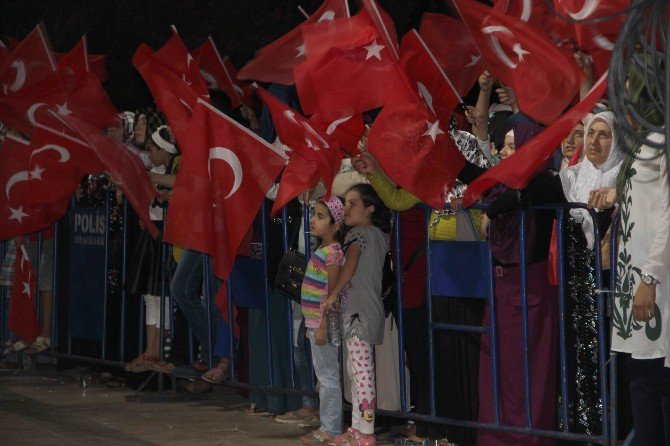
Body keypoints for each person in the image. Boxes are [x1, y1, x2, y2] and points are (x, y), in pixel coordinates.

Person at [589, 67, 669, 445]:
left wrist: (650, 278)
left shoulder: (662, 142)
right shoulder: (642, 143)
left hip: (656, 284)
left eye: (627, 93)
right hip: (636, 279)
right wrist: (616, 195)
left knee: (652, 381)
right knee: (643, 380)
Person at [326, 184, 391, 446]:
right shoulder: (379, 234)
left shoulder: (358, 233)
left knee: (361, 372)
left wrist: (334, 293)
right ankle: (357, 427)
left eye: (353, 203)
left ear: (370, 209)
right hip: (367, 308)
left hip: (358, 312)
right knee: (358, 370)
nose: (347, 208)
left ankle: (365, 432)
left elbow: (350, 264)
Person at [124, 125, 179, 372]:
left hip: (164, 236)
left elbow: (164, 195)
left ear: (164, 151)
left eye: (154, 149)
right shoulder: (156, 171)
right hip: (152, 234)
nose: (150, 153)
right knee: (151, 296)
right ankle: (150, 349)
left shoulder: (166, 174)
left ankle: (162, 351)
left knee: (162, 296)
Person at [299, 196, 346, 445]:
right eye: (313, 215)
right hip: (315, 322)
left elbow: (332, 293)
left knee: (327, 377)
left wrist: (324, 325)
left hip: (322, 323)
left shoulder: (333, 254)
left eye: (320, 216)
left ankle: (331, 428)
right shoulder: (324, 251)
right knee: (324, 375)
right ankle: (329, 424)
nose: (313, 220)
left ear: (335, 225)